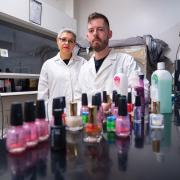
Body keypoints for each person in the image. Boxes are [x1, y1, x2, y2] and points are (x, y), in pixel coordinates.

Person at [75, 12, 148, 102]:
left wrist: (113, 101)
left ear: (109, 34)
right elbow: (77, 100)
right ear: (87, 36)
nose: (95, 34)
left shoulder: (126, 61)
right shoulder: (84, 69)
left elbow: (143, 92)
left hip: (118, 115)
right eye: (91, 30)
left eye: (100, 29)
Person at [38, 28, 86, 120]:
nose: (67, 43)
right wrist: (44, 119)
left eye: (70, 41)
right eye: (63, 39)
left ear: (74, 44)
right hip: (56, 116)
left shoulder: (83, 63)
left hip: (79, 115)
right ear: (57, 41)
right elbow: (42, 95)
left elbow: (88, 89)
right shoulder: (48, 65)